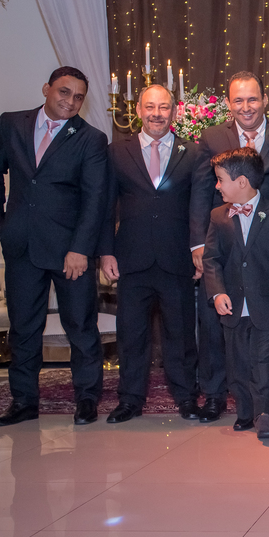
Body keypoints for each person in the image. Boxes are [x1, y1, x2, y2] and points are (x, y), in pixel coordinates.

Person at [0, 66, 108, 427]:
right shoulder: (11, 123)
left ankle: (86, 399)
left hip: (70, 252)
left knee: (81, 326)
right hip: (21, 246)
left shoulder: (91, 139)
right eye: (64, 92)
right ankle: (23, 401)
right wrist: (1, 222)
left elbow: (95, 199)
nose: (70, 101)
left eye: (78, 97)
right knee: (23, 328)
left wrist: (80, 249)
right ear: (46, 89)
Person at [98, 84, 214, 424]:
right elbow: (105, 205)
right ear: (138, 110)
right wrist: (105, 252)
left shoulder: (193, 153)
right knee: (131, 335)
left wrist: (198, 249)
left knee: (180, 334)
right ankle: (130, 400)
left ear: (174, 112)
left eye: (164, 107)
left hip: (177, 258)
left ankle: (186, 397)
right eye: (150, 107)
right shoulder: (116, 152)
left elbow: (199, 206)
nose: (157, 114)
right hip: (131, 258)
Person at [202, 149, 269, 439]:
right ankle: (245, 411)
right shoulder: (218, 216)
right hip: (233, 305)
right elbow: (211, 259)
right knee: (237, 364)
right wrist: (217, 293)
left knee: (263, 361)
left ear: (241, 182)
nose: (217, 186)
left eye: (220, 179)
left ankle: (265, 414)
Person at [194, 71, 269, 423]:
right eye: (238, 100)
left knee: (264, 339)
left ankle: (262, 406)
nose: (246, 106)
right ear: (228, 104)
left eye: (253, 99)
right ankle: (218, 396)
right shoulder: (212, 137)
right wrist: (199, 244)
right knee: (225, 336)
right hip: (228, 244)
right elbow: (203, 190)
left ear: (265, 100)